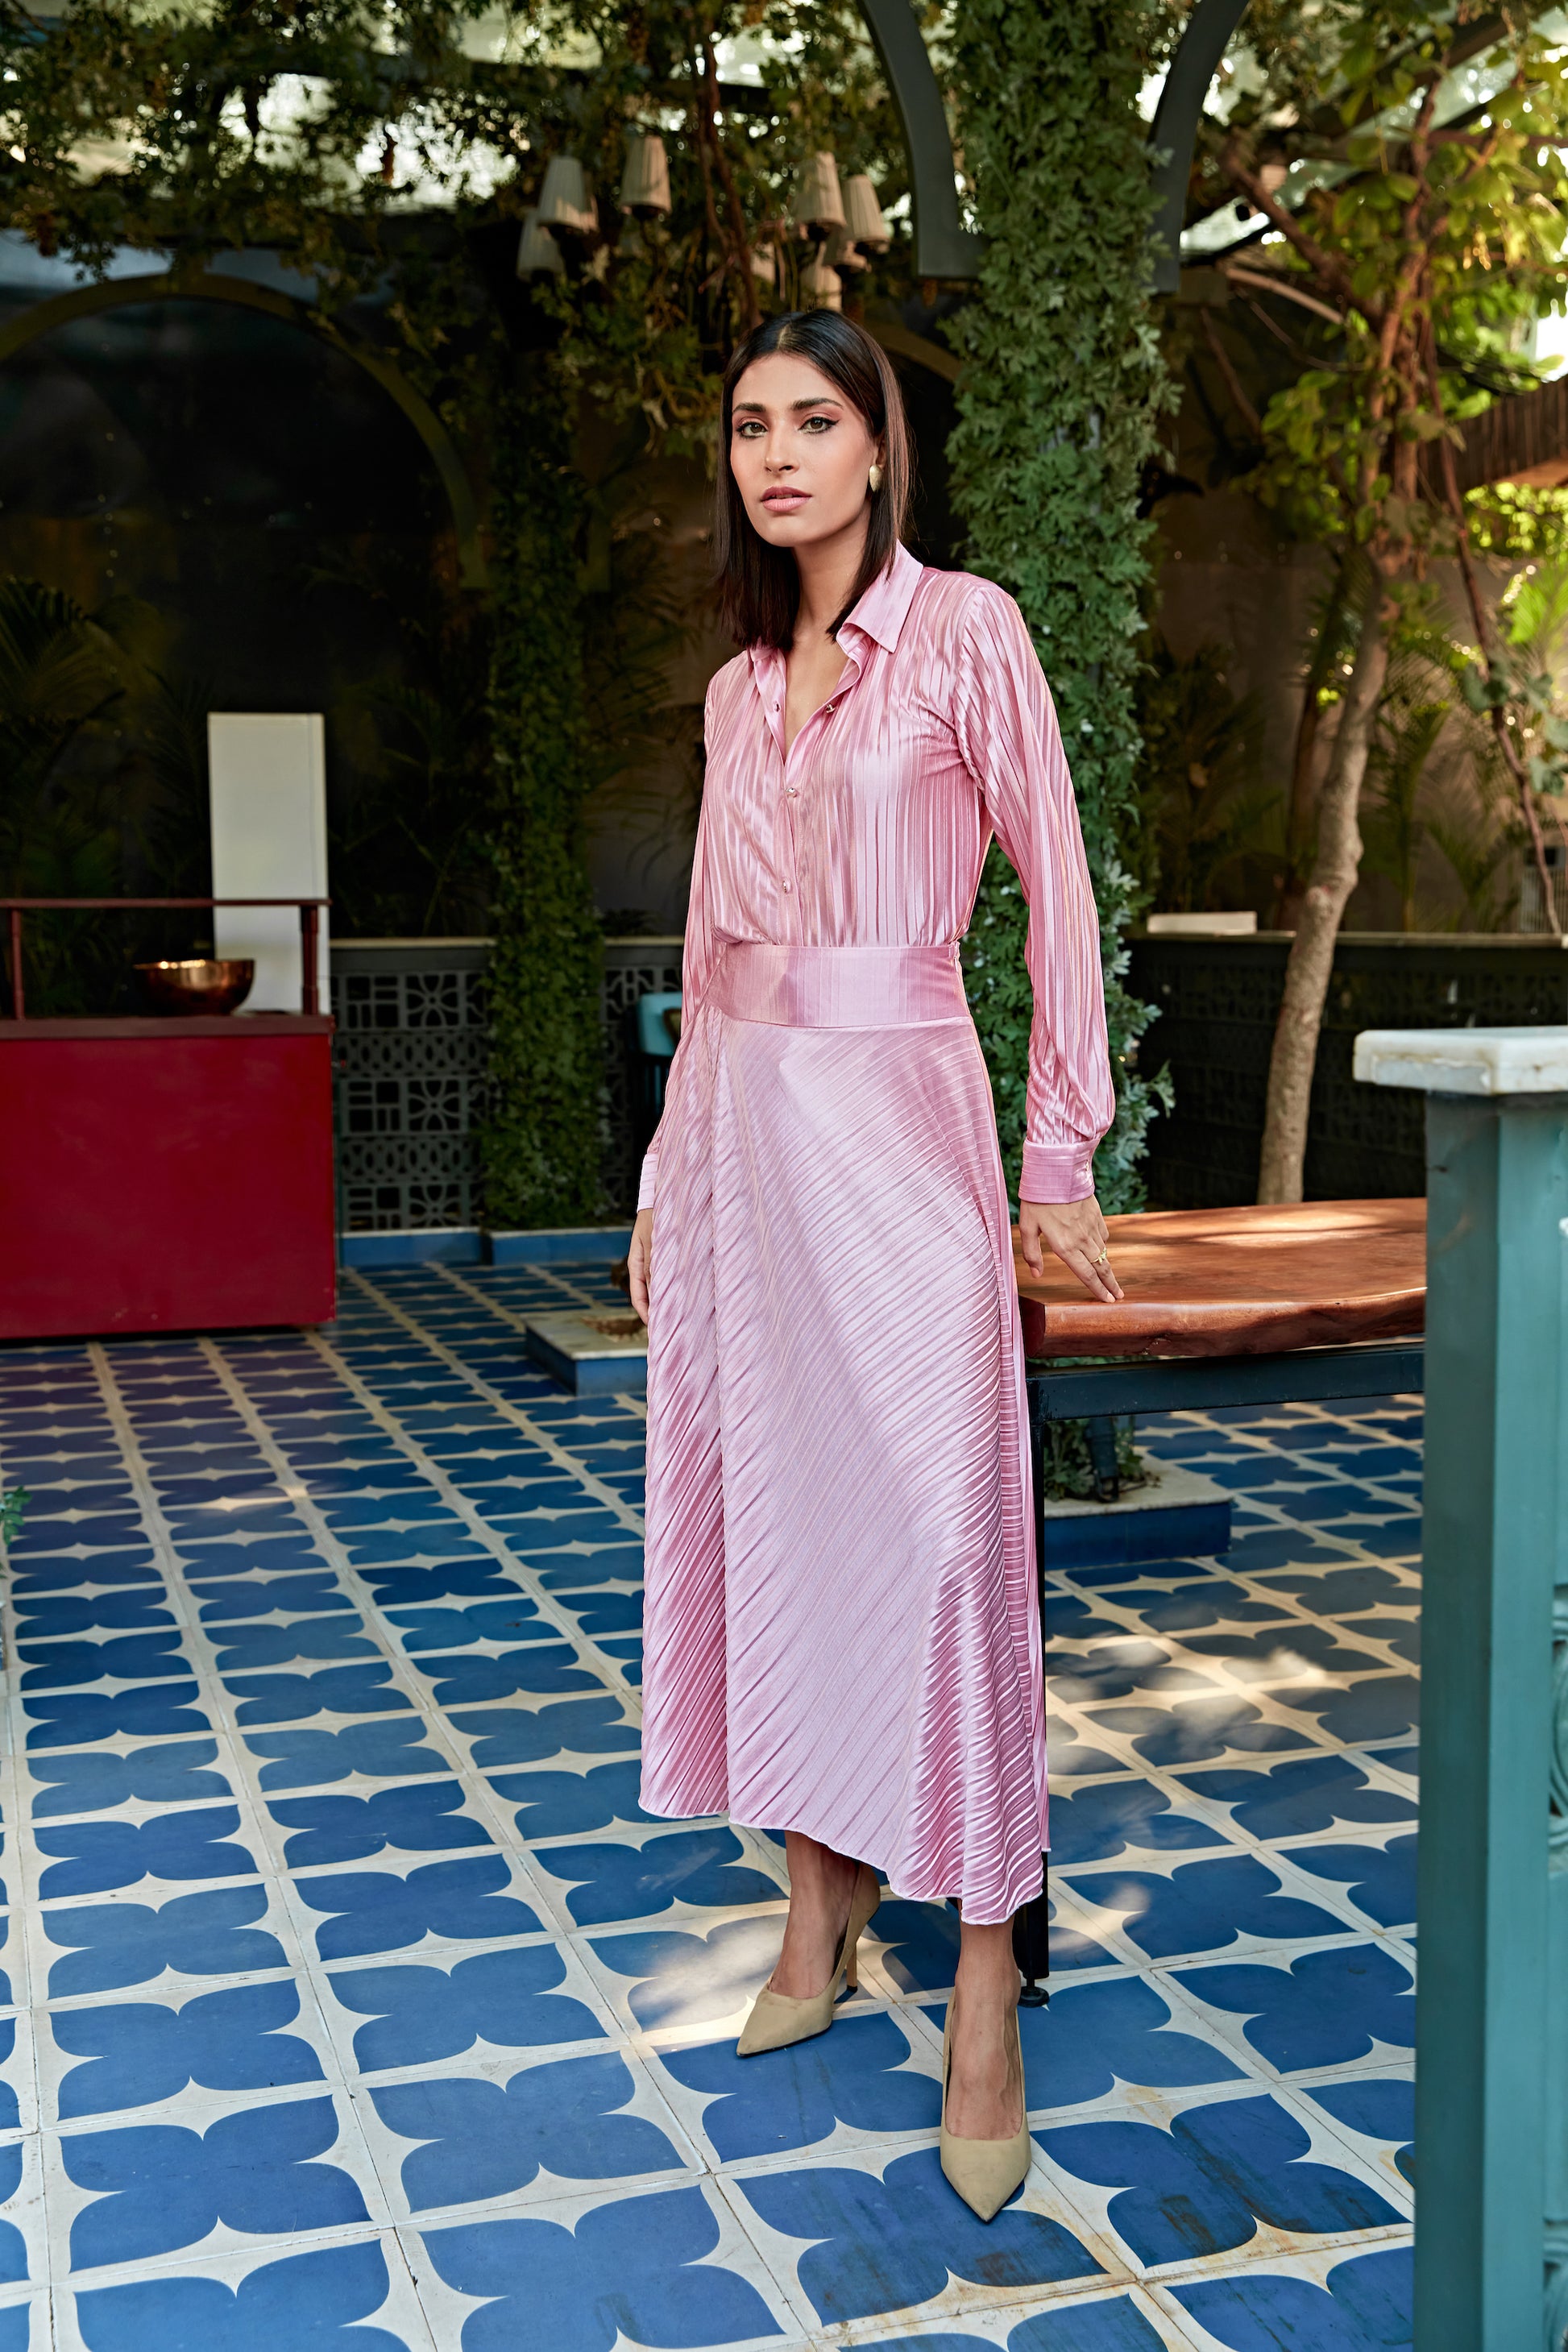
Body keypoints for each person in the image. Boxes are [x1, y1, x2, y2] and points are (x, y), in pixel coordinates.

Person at [626, 308, 1120, 2221]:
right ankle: (816, 1904)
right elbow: (705, 948)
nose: (776, 453)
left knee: (941, 1541)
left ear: (877, 445)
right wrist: (664, 1173)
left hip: (902, 1126)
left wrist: (1058, 1147)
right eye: (749, 423)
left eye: (813, 419)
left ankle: (984, 1973)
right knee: (785, 1526)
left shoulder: (968, 630)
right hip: (744, 1141)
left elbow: (1057, 884)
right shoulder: (737, 687)